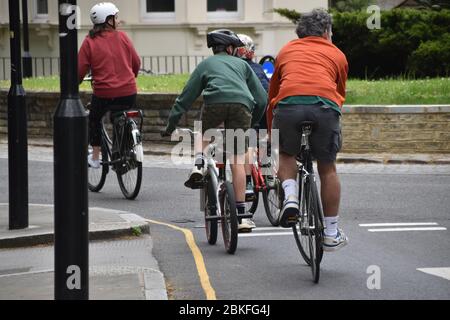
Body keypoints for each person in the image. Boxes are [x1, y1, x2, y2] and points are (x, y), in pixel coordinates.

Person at [161, 29, 267, 232]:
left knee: (204, 131)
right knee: (236, 160)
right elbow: (261, 98)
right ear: (229, 48)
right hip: (241, 106)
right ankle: (242, 216)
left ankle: (199, 163)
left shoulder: (205, 65)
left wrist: (170, 126)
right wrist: (252, 123)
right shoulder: (243, 65)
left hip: (215, 103)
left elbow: (185, 98)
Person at [267, 8, 349, 251]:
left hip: (288, 105)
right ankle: (331, 233)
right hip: (325, 106)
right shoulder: (338, 55)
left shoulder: (286, 51)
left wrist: (273, 131)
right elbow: (340, 94)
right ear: (326, 32)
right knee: (327, 167)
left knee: (286, 154)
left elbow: (273, 95)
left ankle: (290, 197)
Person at [78, 2, 141, 169]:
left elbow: (80, 69)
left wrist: (74, 84)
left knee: (94, 119)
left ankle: (96, 157)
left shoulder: (89, 42)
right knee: (121, 116)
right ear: (108, 20)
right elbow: (136, 62)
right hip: (129, 91)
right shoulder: (123, 37)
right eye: (115, 17)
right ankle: (124, 151)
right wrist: (130, 78)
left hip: (104, 93)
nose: (118, 20)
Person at [235, 34, 271, 221]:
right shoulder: (259, 69)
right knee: (264, 138)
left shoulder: (234, 69)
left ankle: (248, 183)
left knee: (246, 141)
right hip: (266, 111)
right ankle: (269, 171)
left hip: (248, 113)